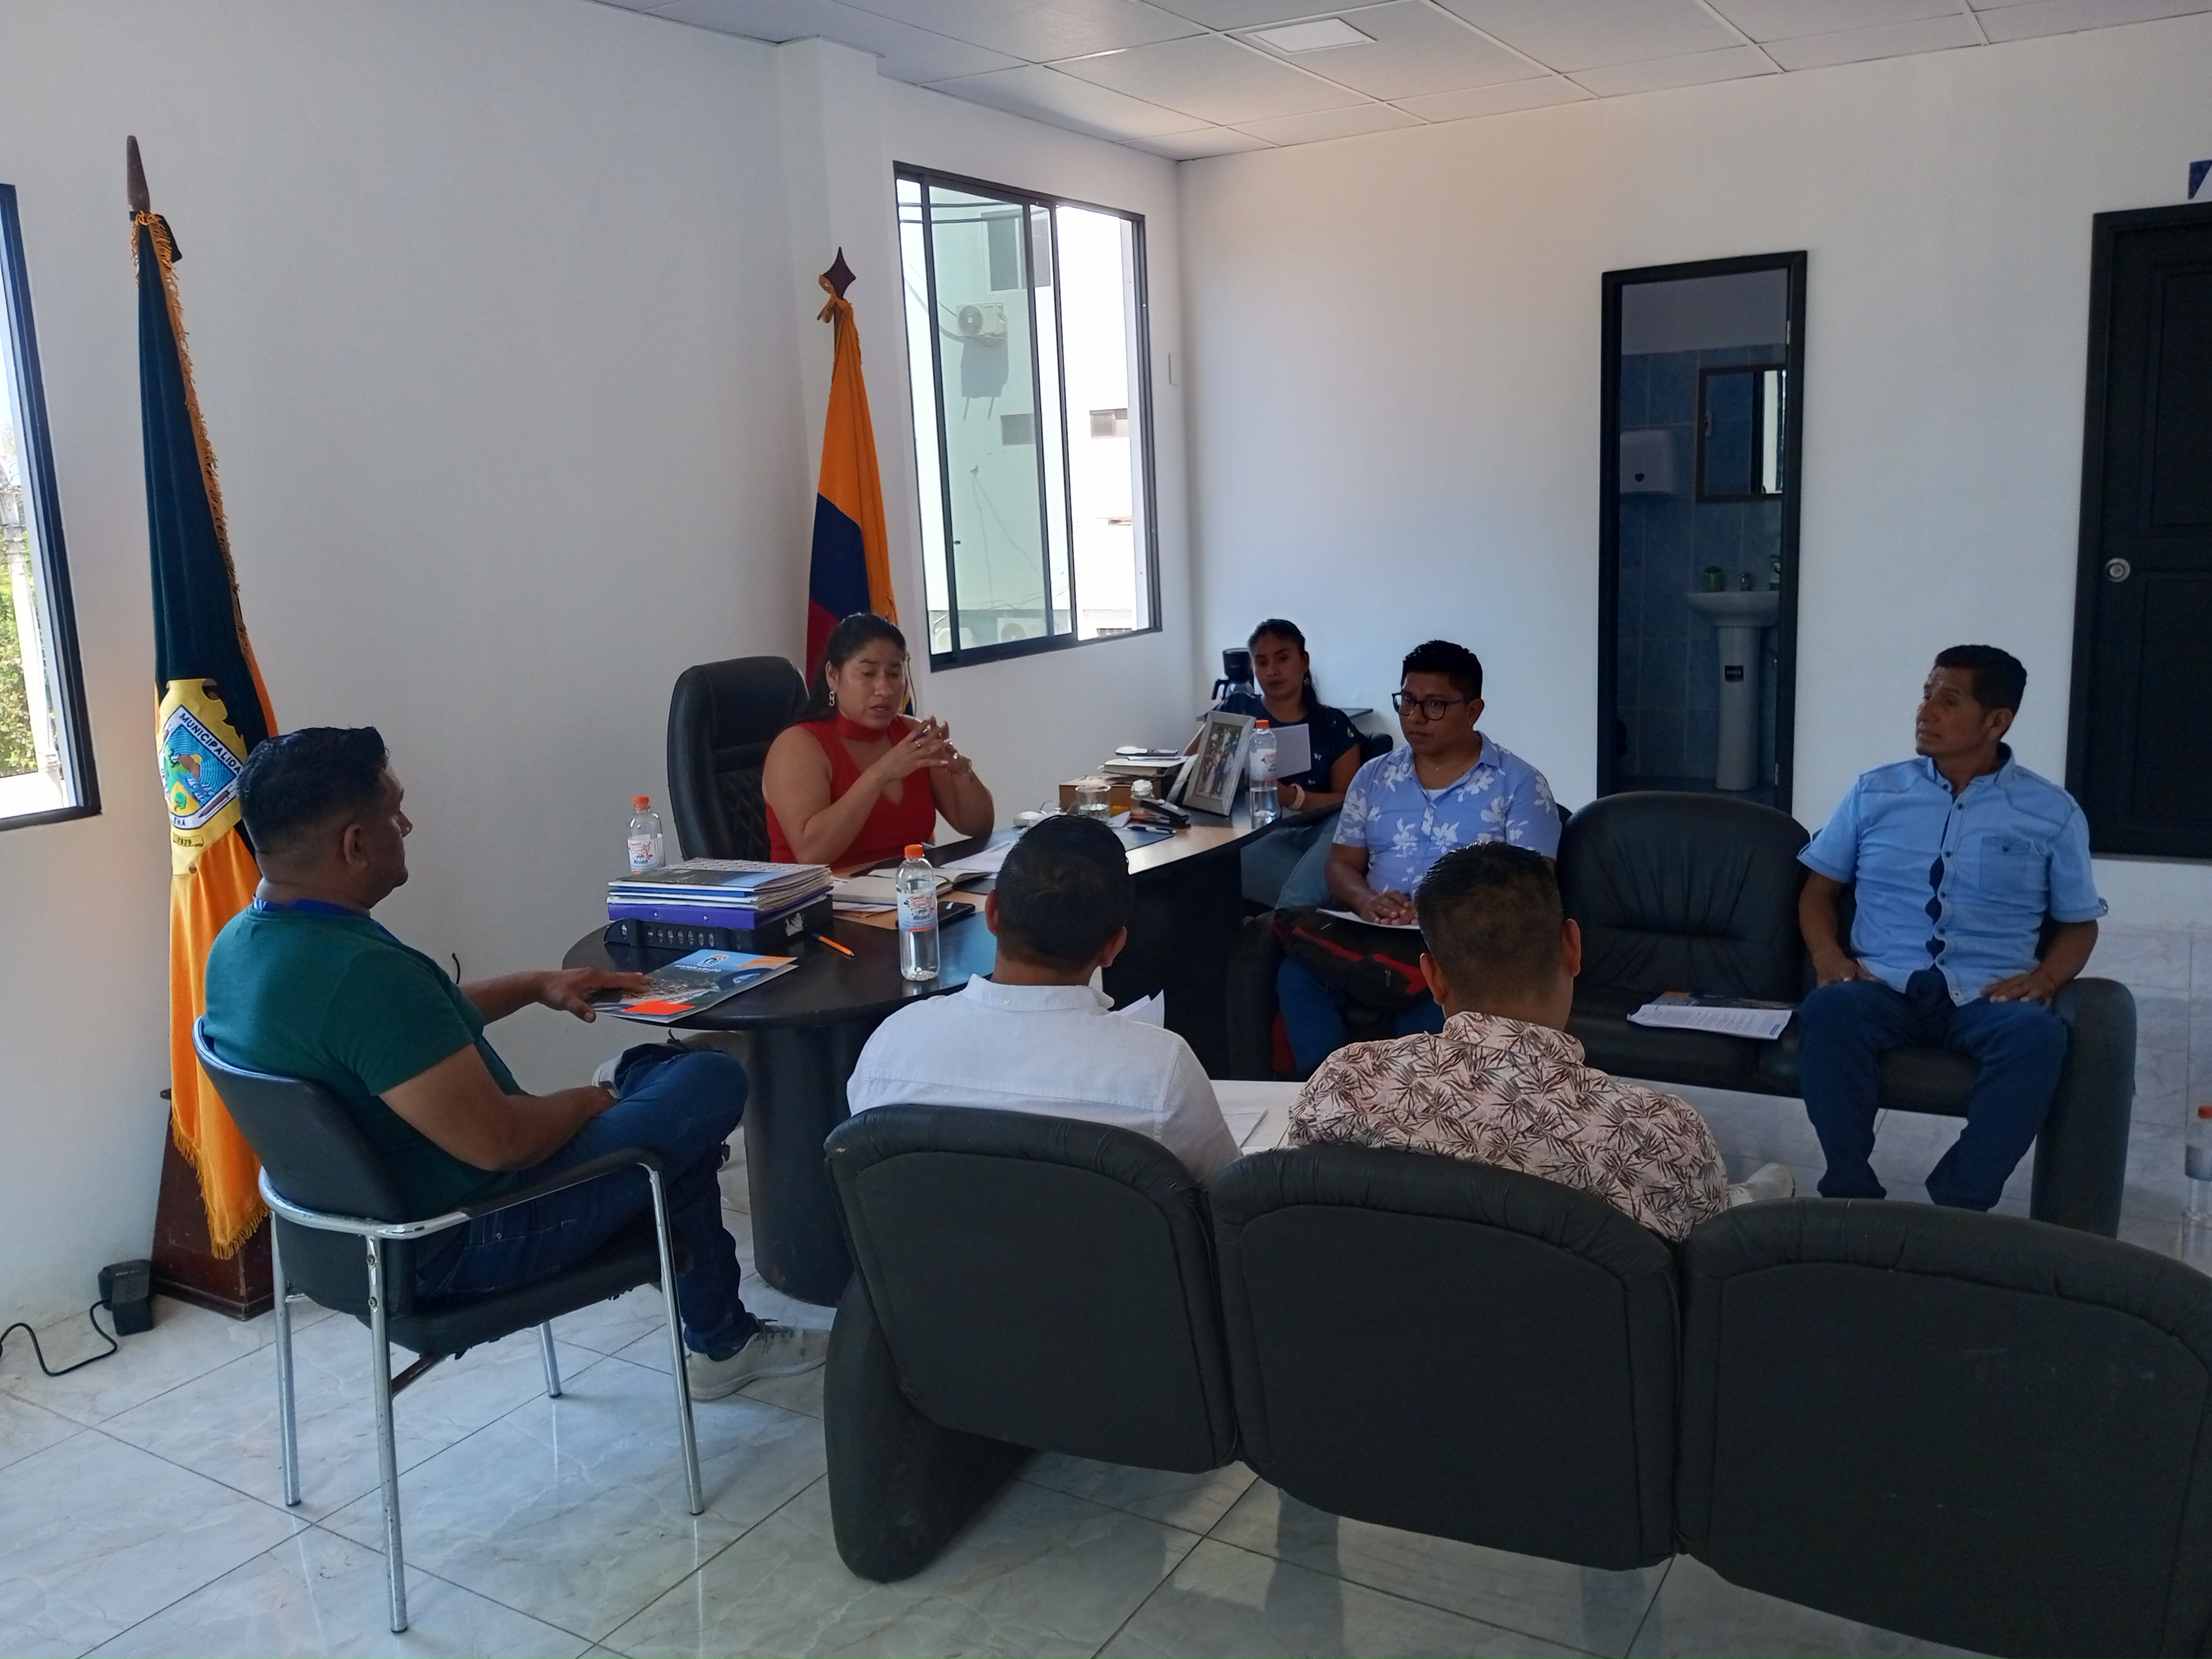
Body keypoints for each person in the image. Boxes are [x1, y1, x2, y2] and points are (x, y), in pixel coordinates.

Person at [200, 727, 826, 1399]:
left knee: (665, 1115)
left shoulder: (241, 947)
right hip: (468, 1239)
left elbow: (403, 1034)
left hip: (344, 1247)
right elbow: (504, 1142)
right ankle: (719, 1337)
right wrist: (591, 1103)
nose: (406, 827)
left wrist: (534, 985)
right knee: (707, 1079)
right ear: (354, 844)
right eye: (394, 812)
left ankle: (722, 1336)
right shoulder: (362, 976)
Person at [1292, 844, 1793, 1240]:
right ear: (1573, 947)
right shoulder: (1660, 1134)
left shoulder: (1343, 1085)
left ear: (1433, 977)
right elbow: (1710, 1265)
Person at [1796, 646, 2104, 1210]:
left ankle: (1961, 1202)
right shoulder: (1875, 793)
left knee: (2037, 1037)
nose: (1925, 712)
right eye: (1925, 695)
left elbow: (2079, 924)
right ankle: (1848, 1189)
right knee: (1829, 1011)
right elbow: (1818, 892)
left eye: (1949, 701)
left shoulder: (2050, 813)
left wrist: (2046, 979)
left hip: (1988, 994)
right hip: (1882, 986)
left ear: (1996, 721)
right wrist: (1827, 957)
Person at [846, 813, 1240, 1179]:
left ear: (993, 913)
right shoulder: (1161, 1073)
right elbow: (1227, 1198)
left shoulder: (890, 1047)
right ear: (1113, 947)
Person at [1277, 638, 1560, 1074]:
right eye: (1407, 701)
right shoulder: (1373, 778)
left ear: (1473, 710)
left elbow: (1530, 887)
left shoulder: (1519, 784)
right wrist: (1366, 901)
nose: (1415, 717)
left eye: (1434, 706)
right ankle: (1327, 1092)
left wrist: (1439, 912)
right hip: (1376, 937)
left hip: (1459, 948)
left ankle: (1408, 1100)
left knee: (1438, 1003)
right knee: (1297, 976)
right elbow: (1341, 865)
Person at [764, 612, 994, 870]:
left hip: (906, 887)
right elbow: (812, 853)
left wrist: (961, 772)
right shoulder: (797, 745)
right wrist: (881, 774)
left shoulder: (912, 734)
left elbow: (979, 826)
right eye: (868, 673)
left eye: (894, 674)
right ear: (833, 676)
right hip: (820, 892)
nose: (884, 689)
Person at [1206, 619, 1365, 909]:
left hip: (1319, 832)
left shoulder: (1333, 725)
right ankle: (1312, 911)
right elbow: (1193, 770)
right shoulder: (1237, 709)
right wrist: (1231, 775)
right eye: (1262, 662)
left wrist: (1291, 797)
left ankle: (1295, 917)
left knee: (1347, 823)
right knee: (1224, 857)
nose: (1272, 671)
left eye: (1282, 659)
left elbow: (1350, 802)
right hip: (1256, 834)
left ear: (1304, 661)